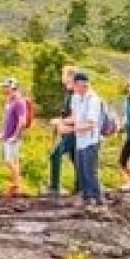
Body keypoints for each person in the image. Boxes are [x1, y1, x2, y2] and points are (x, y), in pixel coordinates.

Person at [68, 69, 106, 205]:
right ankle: (86, 196)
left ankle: (97, 198)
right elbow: (74, 117)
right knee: (81, 170)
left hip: (91, 140)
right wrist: (61, 122)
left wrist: (71, 128)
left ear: (81, 84)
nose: (73, 87)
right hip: (79, 140)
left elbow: (91, 124)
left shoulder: (93, 99)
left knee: (90, 171)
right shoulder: (76, 97)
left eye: (74, 84)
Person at [48, 62, 78, 198]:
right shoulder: (68, 92)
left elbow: (75, 116)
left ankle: (55, 188)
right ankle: (79, 187)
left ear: (70, 77)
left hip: (72, 132)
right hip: (68, 131)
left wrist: (60, 121)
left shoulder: (74, 94)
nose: (62, 77)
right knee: (75, 159)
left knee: (55, 154)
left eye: (64, 74)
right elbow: (66, 113)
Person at [0, 76, 27, 196]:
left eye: (5, 87)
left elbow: (22, 121)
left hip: (13, 138)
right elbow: (7, 119)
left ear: (12, 87)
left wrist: (15, 135)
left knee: (10, 161)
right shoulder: (9, 100)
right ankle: (16, 186)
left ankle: (17, 185)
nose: (3, 89)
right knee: (12, 161)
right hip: (7, 136)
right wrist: (2, 132)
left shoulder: (19, 102)